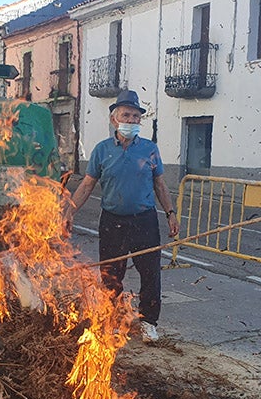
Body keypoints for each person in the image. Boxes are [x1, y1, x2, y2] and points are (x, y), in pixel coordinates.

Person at [64, 89, 179, 343]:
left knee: (150, 273)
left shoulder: (150, 149)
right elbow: (86, 185)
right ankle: (111, 321)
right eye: (126, 115)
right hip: (112, 221)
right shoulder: (102, 150)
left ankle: (149, 322)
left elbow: (160, 184)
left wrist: (171, 213)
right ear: (114, 119)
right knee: (111, 274)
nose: (131, 120)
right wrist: (69, 212)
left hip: (144, 220)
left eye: (136, 116)